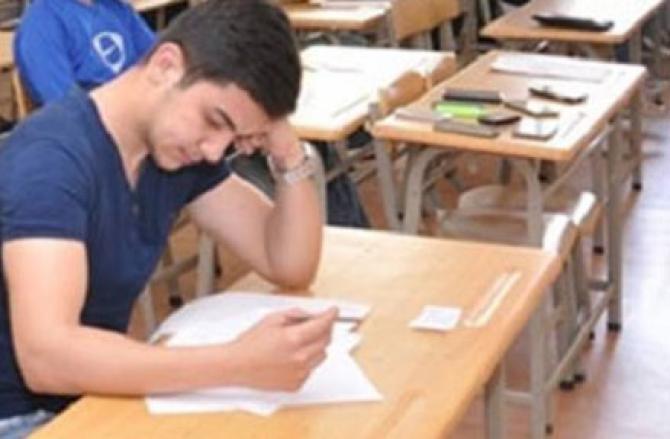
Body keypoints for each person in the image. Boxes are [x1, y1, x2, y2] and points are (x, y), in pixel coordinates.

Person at [0, 0, 337, 436]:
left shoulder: (175, 150)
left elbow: (287, 263)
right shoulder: (52, 160)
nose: (217, 150)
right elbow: (48, 356)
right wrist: (237, 363)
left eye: (236, 137)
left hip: (87, 398)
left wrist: (288, 151)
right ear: (165, 65)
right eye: (215, 120)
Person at [13, 0, 155, 105]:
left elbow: (157, 62)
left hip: (140, 110)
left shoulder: (117, 8)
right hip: (96, 129)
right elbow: (63, 105)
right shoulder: (42, 22)